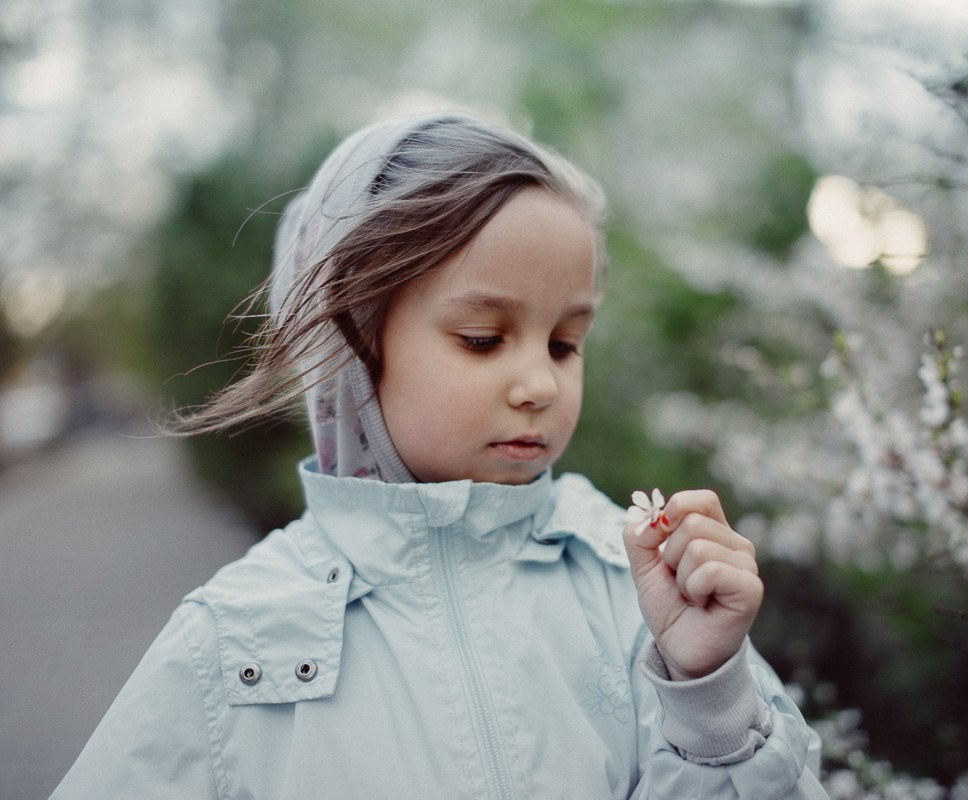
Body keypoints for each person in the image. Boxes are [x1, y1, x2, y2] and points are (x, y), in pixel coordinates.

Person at [52, 110, 827, 799]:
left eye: (565, 343)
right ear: (346, 346)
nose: (538, 384)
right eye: (483, 338)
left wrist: (710, 695)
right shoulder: (238, 637)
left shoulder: (630, 587)